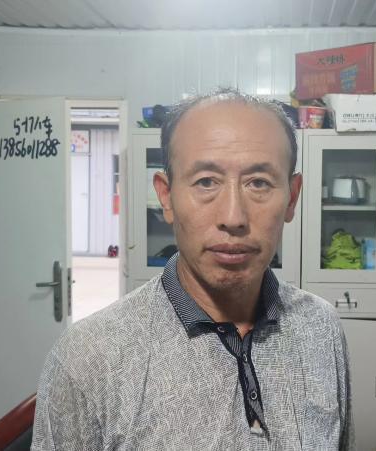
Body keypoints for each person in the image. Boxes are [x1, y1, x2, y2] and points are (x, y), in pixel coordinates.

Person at [31, 88, 353, 450]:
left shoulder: (320, 328)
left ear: (291, 197)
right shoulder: (88, 359)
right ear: (166, 196)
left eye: (259, 183)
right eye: (206, 182)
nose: (233, 217)